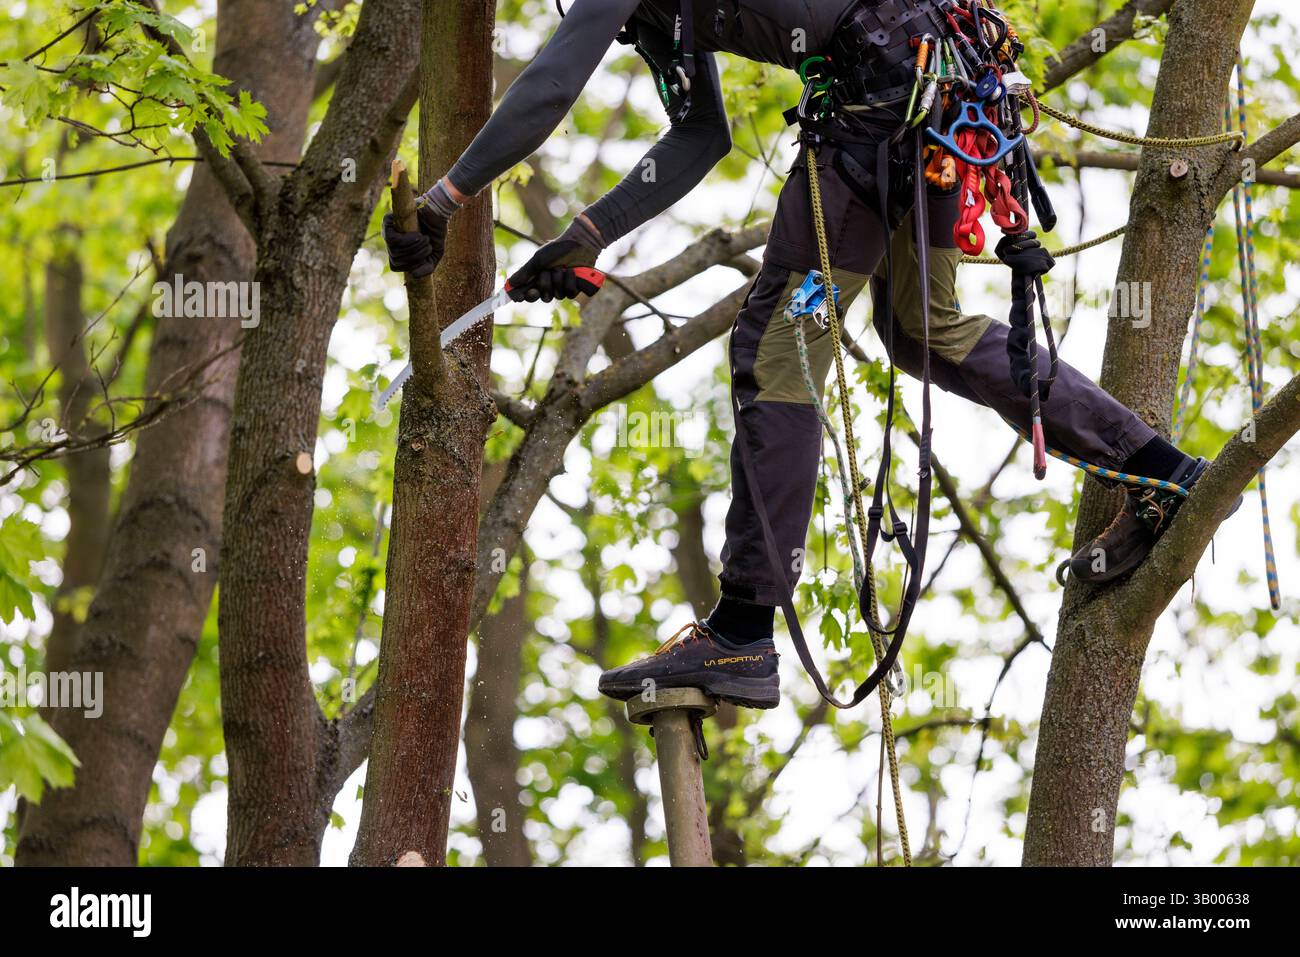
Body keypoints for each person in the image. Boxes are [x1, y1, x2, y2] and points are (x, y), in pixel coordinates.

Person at [384, 0, 1218, 710]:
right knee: (926, 329)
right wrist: (586, 237)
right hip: (931, 98)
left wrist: (442, 200)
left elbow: (551, 86)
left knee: (782, 346)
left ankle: (743, 633)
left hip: (881, 104)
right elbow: (699, 136)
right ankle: (1164, 472)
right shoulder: (672, 18)